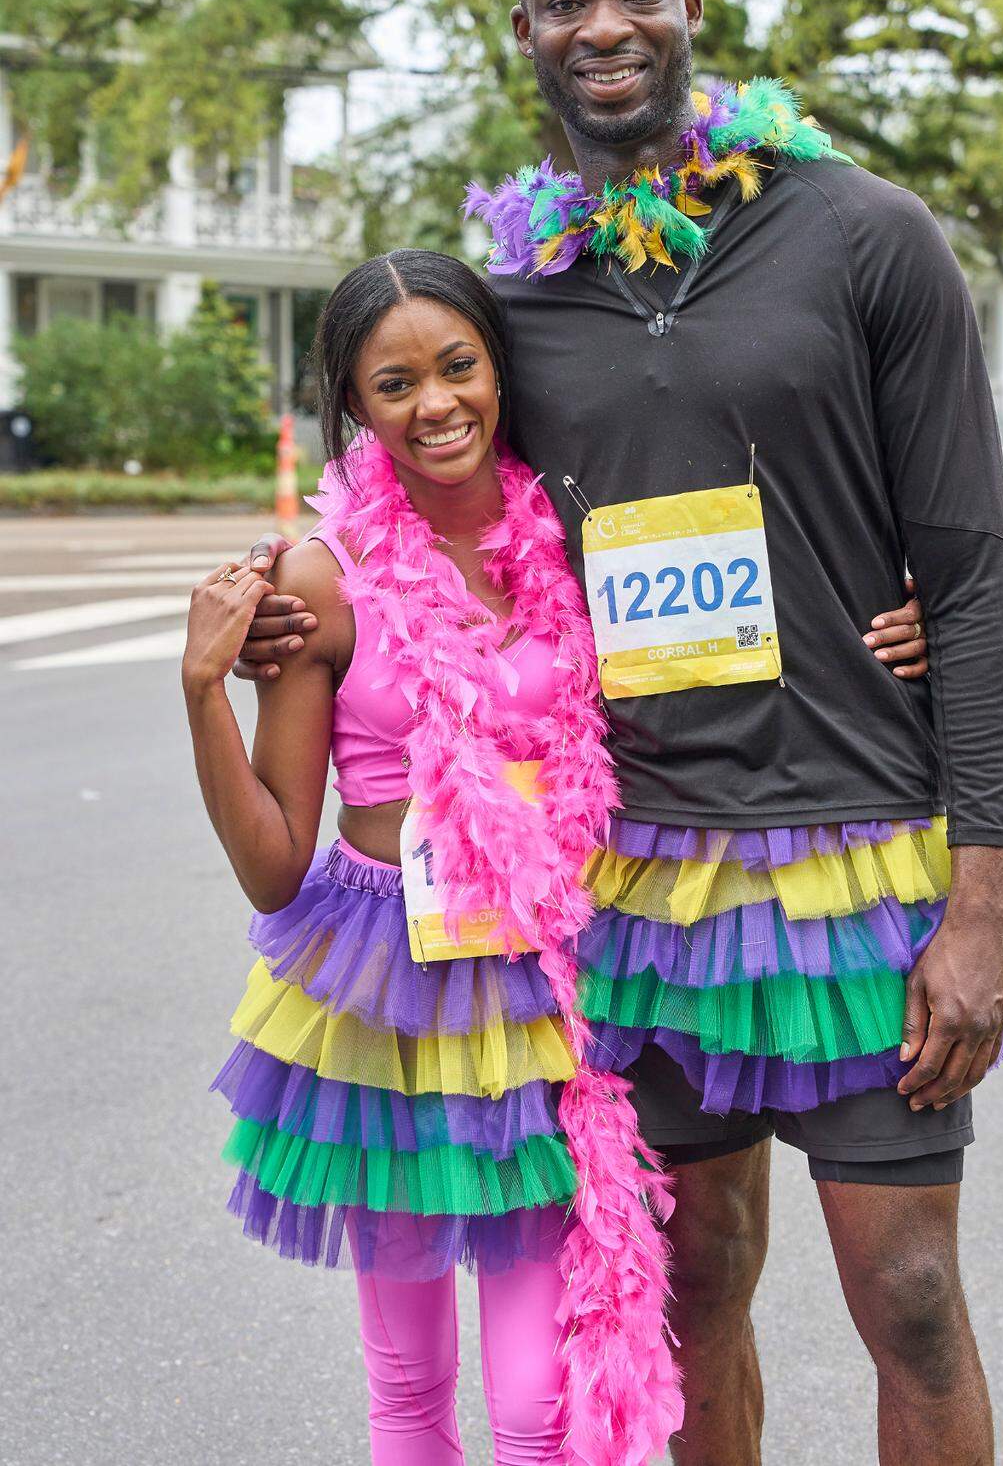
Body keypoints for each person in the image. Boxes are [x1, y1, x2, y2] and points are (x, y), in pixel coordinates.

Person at [238, 0, 1003, 1466]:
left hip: (858, 853)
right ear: (522, 29)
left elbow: (966, 573)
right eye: (569, 1)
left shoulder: (863, 233)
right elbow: (425, 480)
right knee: (688, 1286)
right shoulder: (519, 299)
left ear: (691, 5)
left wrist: (981, 905)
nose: (606, 26)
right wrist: (280, 607)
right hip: (635, 876)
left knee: (914, 1295)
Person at [183, 250, 685, 1466]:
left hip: (544, 976)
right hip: (390, 991)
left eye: (458, 366)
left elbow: (719, 640)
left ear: (498, 369)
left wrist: (900, 614)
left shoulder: (572, 536)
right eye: (395, 383)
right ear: (356, 405)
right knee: (409, 1387)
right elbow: (272, 868)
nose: (436, 404)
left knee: (535, 1405)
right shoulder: (324, 580)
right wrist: (203, 689)